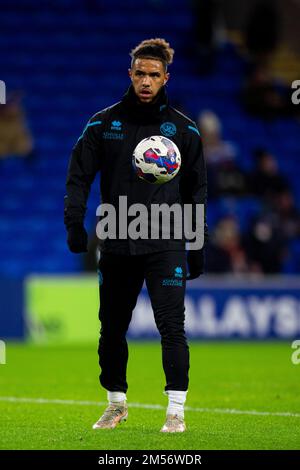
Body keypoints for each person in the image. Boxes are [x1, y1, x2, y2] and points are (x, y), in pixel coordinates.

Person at [64, 38, 207, 433]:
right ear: (130, 74)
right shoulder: (102, 123)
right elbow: (78, 177)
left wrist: (197, 243)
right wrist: (74, 223)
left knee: (171, 327)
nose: (146, 81)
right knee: (110, 328)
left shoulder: (183, 129)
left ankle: (176, 410)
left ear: (166, 78)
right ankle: (116, 404)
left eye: (153, 75)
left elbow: (197, 191)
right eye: (140, 73)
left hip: (166, 242)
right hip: (118, 241)